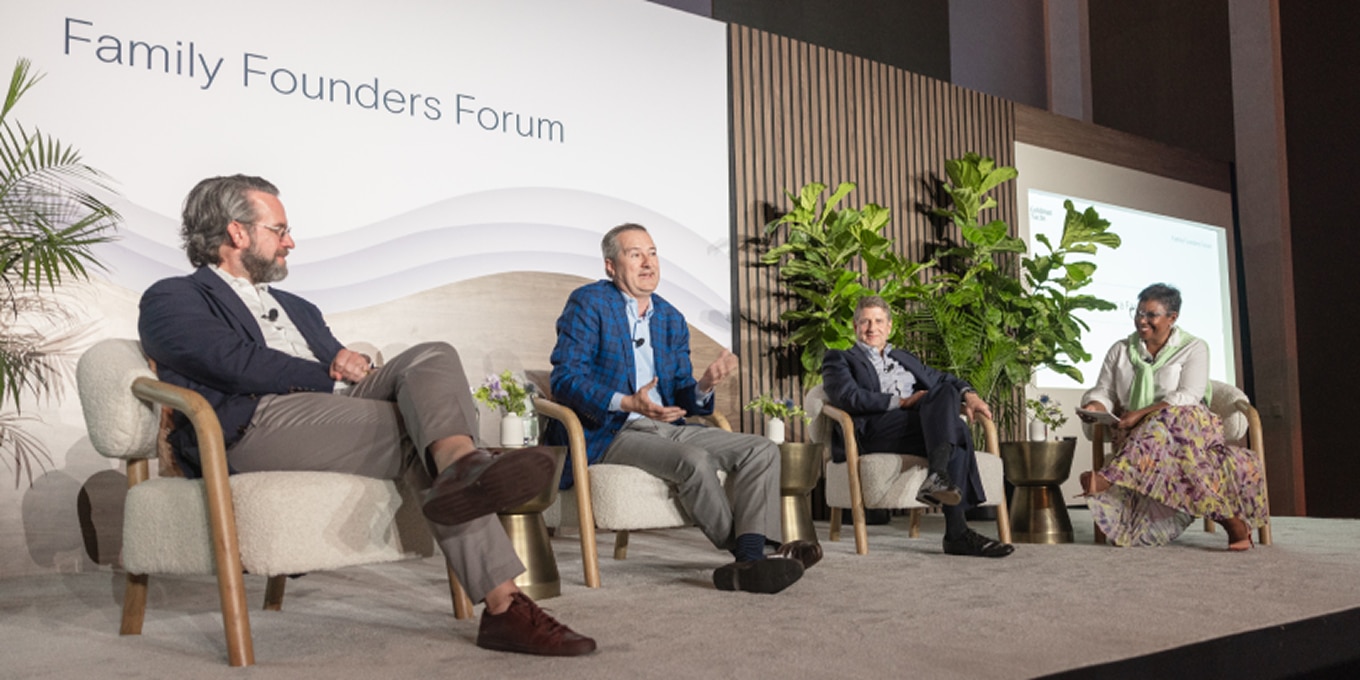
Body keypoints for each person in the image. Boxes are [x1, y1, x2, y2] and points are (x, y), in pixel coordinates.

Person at [138, 174, 595, 656]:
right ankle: (505, 604)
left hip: (331, 411)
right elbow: (230, 362)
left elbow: (341, 368)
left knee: (432, 355)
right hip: (254, 424)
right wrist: (331, 372)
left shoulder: (299, 307)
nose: (290, 242)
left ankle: (463, 465)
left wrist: (354, 369)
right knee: (418, 433)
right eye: (280, 230)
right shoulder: (173, 298)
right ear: (236, 233)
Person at [547, 223, 818, 594]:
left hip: (670, 425)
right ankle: (752, 553)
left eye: (653, 253)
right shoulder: (589, 303)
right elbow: (565, 379)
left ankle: (748, 563)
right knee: (693, 460)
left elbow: (681, 394)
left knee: (762, 450)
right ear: (611, 266)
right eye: (635, 254)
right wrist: (627, 402)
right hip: (614, 430)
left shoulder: (671, 317)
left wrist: (704, 385)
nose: (648, 263)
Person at [821, 295, 1015, 558]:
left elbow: (943, 379)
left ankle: (939, 480)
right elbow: (847, 397)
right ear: (855, 327)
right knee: (957, 431)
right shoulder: (840, 358)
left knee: (946, 392)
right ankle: (956, 531)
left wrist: (970, 395)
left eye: (878, 321)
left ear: (889, 327)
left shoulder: (903, 357)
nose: (872, 328)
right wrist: (901, 402)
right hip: (873, 429)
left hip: (914, 427)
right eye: (865, 322)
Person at [1077, 283, 1267, 550]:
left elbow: (1188, 395)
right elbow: (1104, 390)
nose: (1142, 320)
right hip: (1147, 439)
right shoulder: (1120, 350)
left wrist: (1140, 414)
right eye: (1139, 312)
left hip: (1192, 425)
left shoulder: (1194, 347)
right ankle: (1232, 521)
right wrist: (1095, 406)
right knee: (1183, 457)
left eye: (1150, 314)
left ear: (1172, 318)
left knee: (1171, 418)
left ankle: (1109, 477)